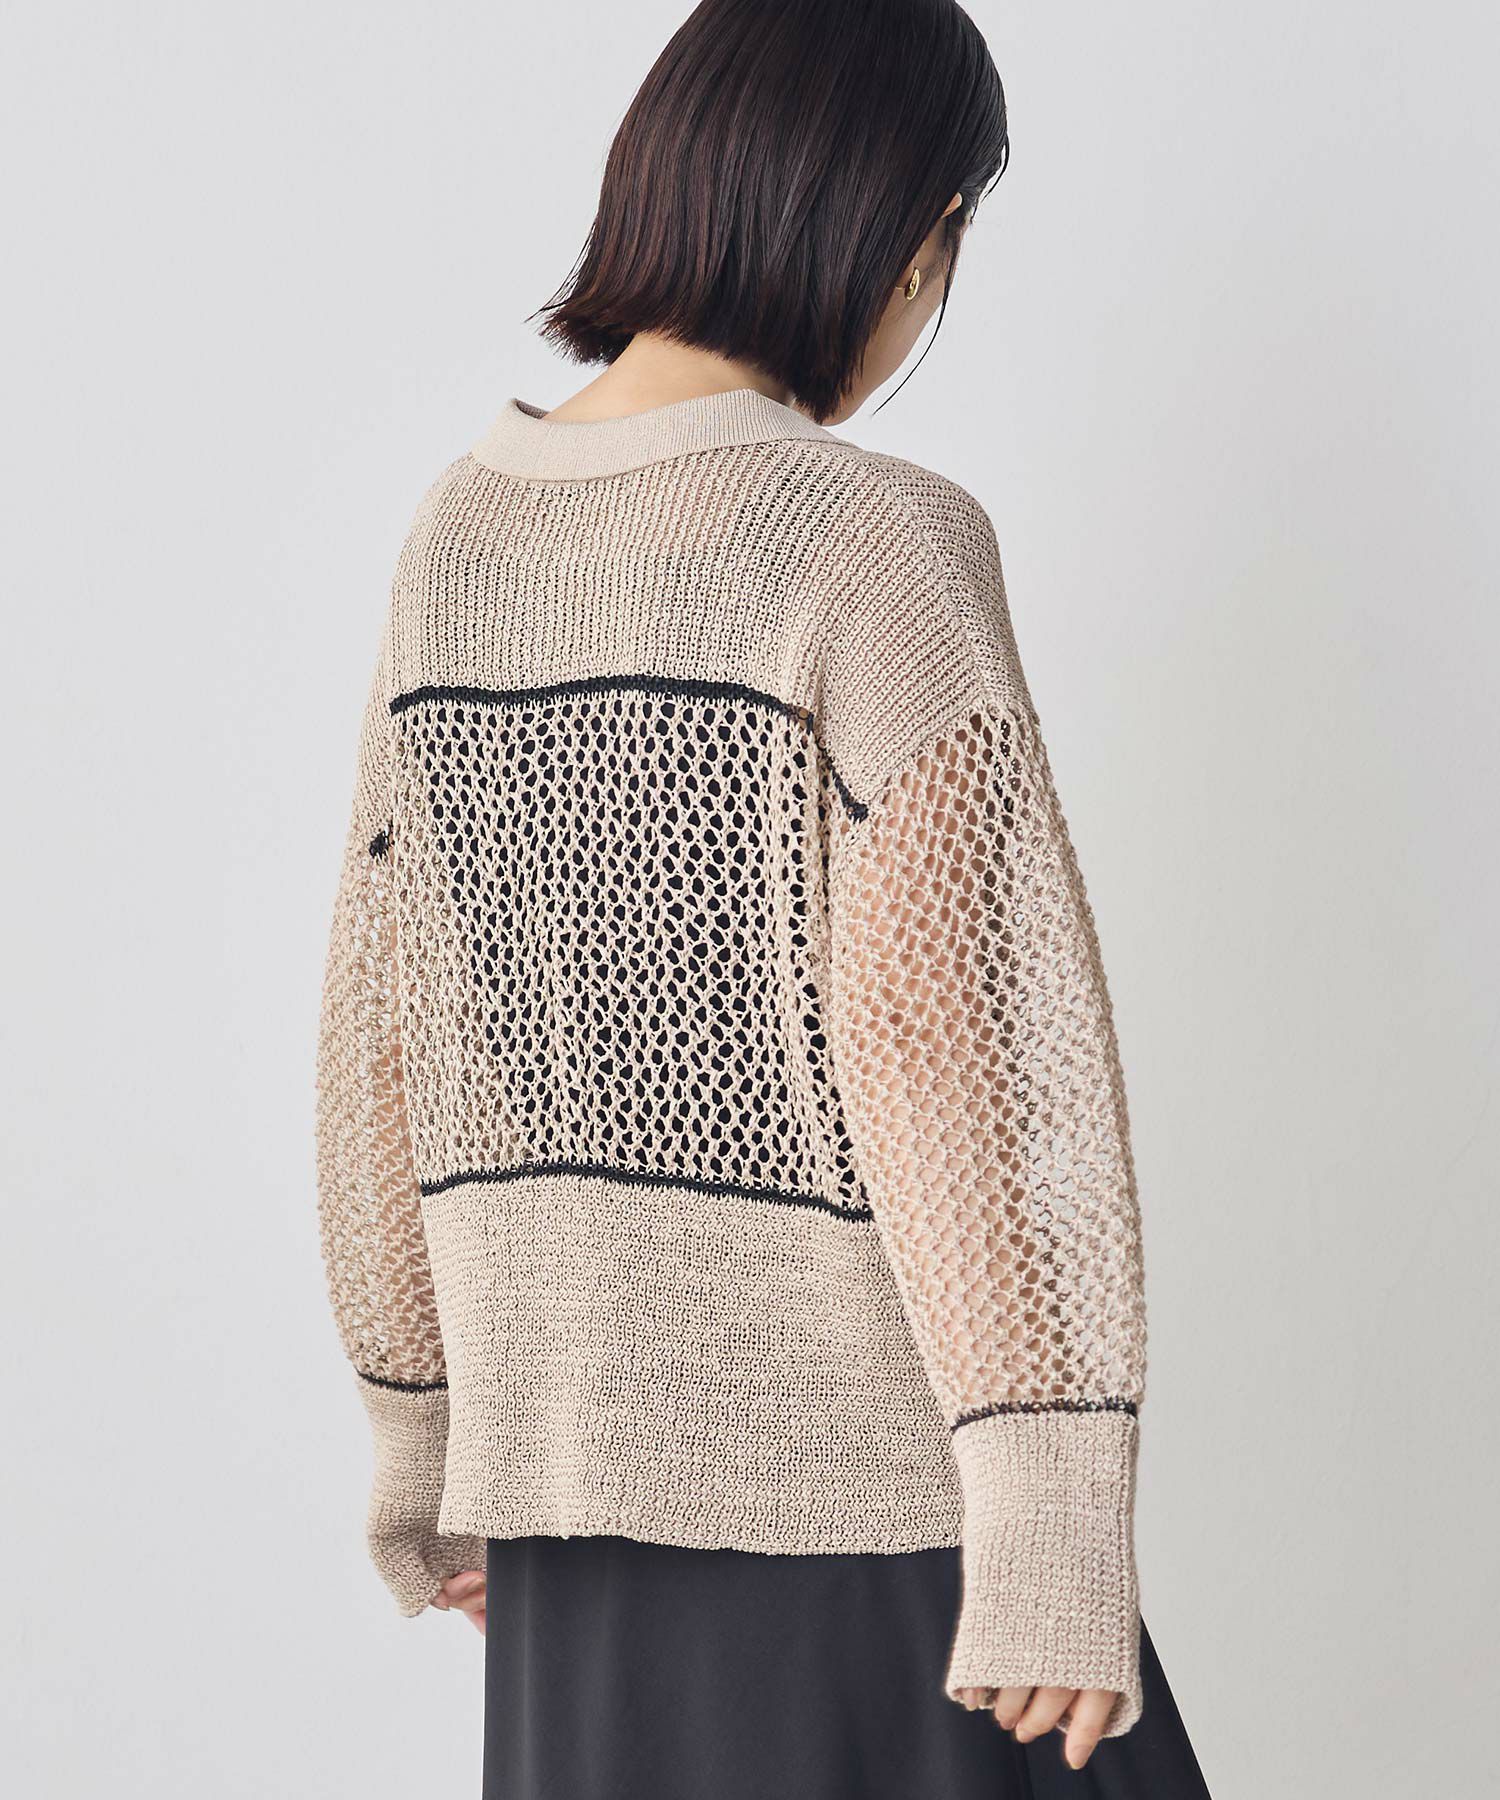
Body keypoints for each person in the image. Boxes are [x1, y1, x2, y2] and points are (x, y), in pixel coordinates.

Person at [313, 1, 1210, 1794]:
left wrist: (426, 1442)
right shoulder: (876, 542)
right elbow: (948, 1034)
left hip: (562, 1519)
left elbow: (383, 1030)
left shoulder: (460, 535)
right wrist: (1050, 1505)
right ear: (902, 232)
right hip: (871, 1515)